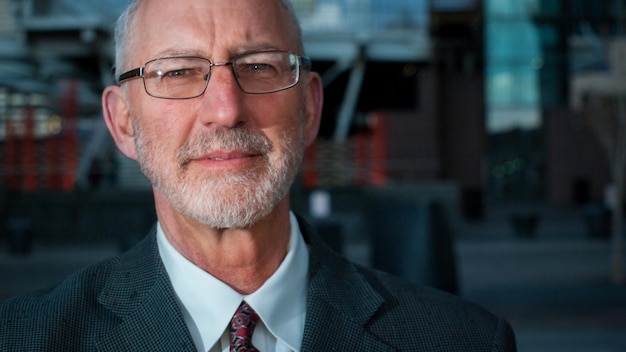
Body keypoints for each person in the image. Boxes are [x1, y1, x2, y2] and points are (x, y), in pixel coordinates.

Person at [0, 0, 517, 350]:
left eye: (260, 67)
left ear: (310, 108)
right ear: (122, 122)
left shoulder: (462, 340)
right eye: (177, 72)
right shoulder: (23, 339)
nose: (225, 110)